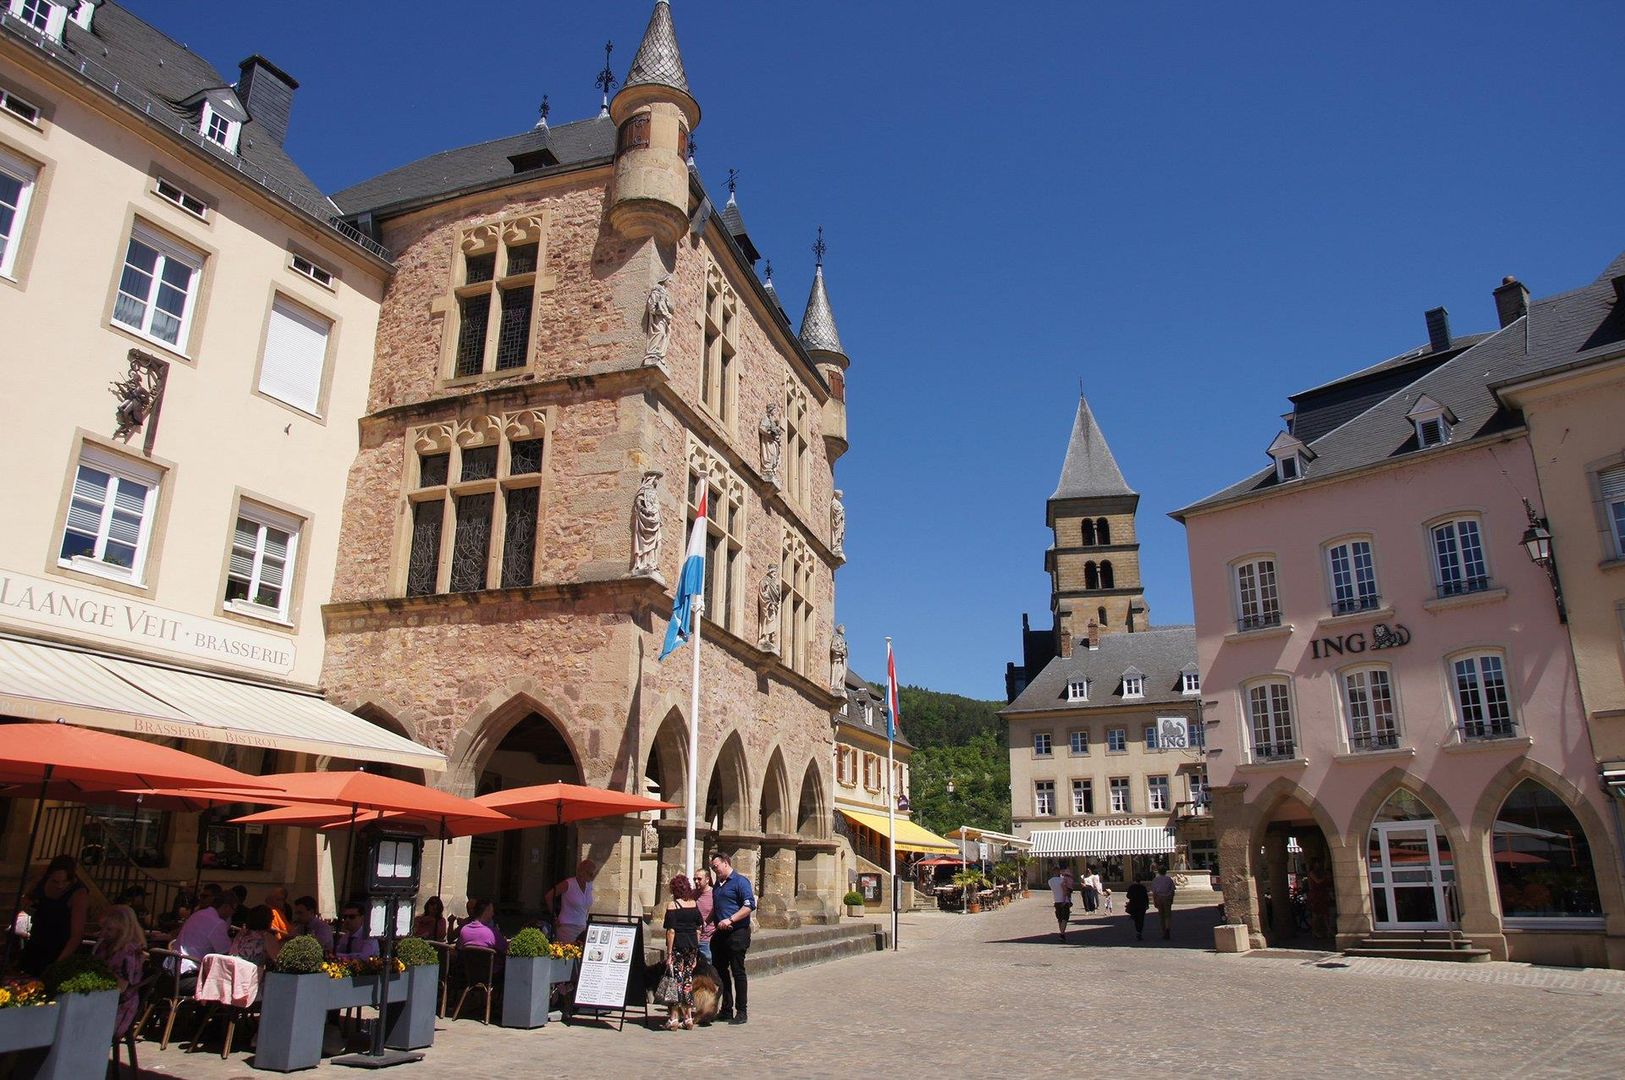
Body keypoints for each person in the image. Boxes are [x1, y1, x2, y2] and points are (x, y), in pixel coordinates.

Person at [18, 856, 88, 977]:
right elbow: (27, 896)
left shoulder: (79, 894)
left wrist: (58, 964)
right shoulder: (41, 879)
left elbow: (77, 935)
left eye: (65, 882)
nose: (60, 886)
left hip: (59, 945)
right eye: (55, 881)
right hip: (37, 938)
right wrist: (27, 902)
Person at [708, 851, 755, 1024]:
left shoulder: (740, 882)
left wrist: (731, 919)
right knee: (720, 972)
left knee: (738, 971)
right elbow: (717, 908)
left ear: (726, 863)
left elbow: (749, 906)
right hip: (720, 934)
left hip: (737, 933)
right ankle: (726, 1009)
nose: (715, 870)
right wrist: (705, 922)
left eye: (716, 867)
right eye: (713, 868)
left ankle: (742, 1011)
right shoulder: (718, 885)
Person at [92, 904, 148, 1042]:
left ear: (123, 930)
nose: (103, 932)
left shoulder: (128, 952)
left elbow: (120, 988)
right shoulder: (106, 945)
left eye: (109, 929)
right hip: (100, 999)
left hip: (118, 1006)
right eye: (103, 928)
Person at [661, 874, 703, 1030]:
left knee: (676, 982)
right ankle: (688, 1018)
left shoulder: (673, 906)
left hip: (678, 947)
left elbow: (671, 931)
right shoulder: (693, 904)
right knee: (687, 981)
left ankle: (673, 1018)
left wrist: (669, 953)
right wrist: (696, 950)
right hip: (691, 947)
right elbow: (698, 928)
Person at [175, 892, 237, 978]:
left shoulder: (197, 914)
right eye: (234, 909)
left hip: (174, 967)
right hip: (190, 974)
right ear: (226, 906)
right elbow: (226, 953)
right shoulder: (218, 923)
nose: (233, 913)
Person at [546, 859, 597, 946]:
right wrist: (554, 916)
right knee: (567, 951)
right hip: (567, 926)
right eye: (591, 874)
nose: (592, 877)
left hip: (582, 926)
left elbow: (586, 906)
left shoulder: (589, 885)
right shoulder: (568, 884)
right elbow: (549, 896)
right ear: (582, 871)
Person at [691, 867, 715, 963]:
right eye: (695, 879)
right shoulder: (692, 894)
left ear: (707, 879)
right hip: (693, 938)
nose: (696, 881)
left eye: (699, 879)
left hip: (708, 938)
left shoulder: (714, 894)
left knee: (708, 965)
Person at [1047, 866, 1075, 942]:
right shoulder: (1062, 880)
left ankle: (1062, 934)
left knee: (1059, 919)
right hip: (1064, 901)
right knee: (1065, 918)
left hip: (1056, 901)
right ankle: (1062, 934)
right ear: (1058, 872)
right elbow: (1065, 891)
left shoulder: (1050, 881)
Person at [1306, 865, 1333, 939]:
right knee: (1316, 914)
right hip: (1316, 896)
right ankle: (1315, 931)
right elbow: (1317, 881)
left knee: (1325, 914)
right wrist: (1325, 877)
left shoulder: (1322, 873)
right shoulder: (1312, 873)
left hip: (1322, 895)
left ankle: (1328, 930)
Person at [1151, 866, 1177, 940]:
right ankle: (1167, 929)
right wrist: (1171, 899)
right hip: (1167, 897)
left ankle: (1164, 931)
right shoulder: (1169, 879)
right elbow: (1172, 890)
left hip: (1159, 898)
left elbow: (1154, 892)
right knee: (1167, 915)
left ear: (1159, 872)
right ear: (1165, 872)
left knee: (1161, 916)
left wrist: (1154, 901)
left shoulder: (1155, 880)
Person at [1125, 875, 1150, 941]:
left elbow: (1128, 896)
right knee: (1141, 919)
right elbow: (1146, 897)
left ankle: (1137, 930)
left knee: (1136, 919)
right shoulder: (1143, 887)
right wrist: (1147, 904)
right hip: (1142, 905)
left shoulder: (1131, 887)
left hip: (1134, 905)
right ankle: (1139, 931)